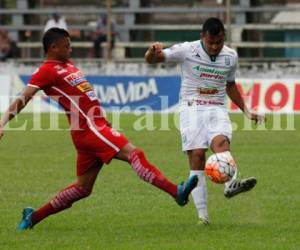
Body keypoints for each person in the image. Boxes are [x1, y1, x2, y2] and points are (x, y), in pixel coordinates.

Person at [0, 28, 198, 231]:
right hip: (90, 128)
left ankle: (32, 218)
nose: (70, 49)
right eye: (66, 46)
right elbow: (23, 97)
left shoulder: (67, 65)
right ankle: (176, 192)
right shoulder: (46, 70)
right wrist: (2, 122)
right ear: (53, 47)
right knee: (135, 154)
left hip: (92, 129)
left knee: (82, 188)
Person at [144, 17, 266, 225]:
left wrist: (246, 110)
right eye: (210, 42)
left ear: (224, 38)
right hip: (191, 108)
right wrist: (151, 51)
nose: (214, 47)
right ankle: (203, 216)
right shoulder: (187, 50)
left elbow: (230, 85)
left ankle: (230, 185)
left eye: (218, 42)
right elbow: (153, 60)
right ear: (202, 36)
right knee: (198, 156)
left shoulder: (230, 57)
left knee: (222, 145)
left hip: (217, 108)